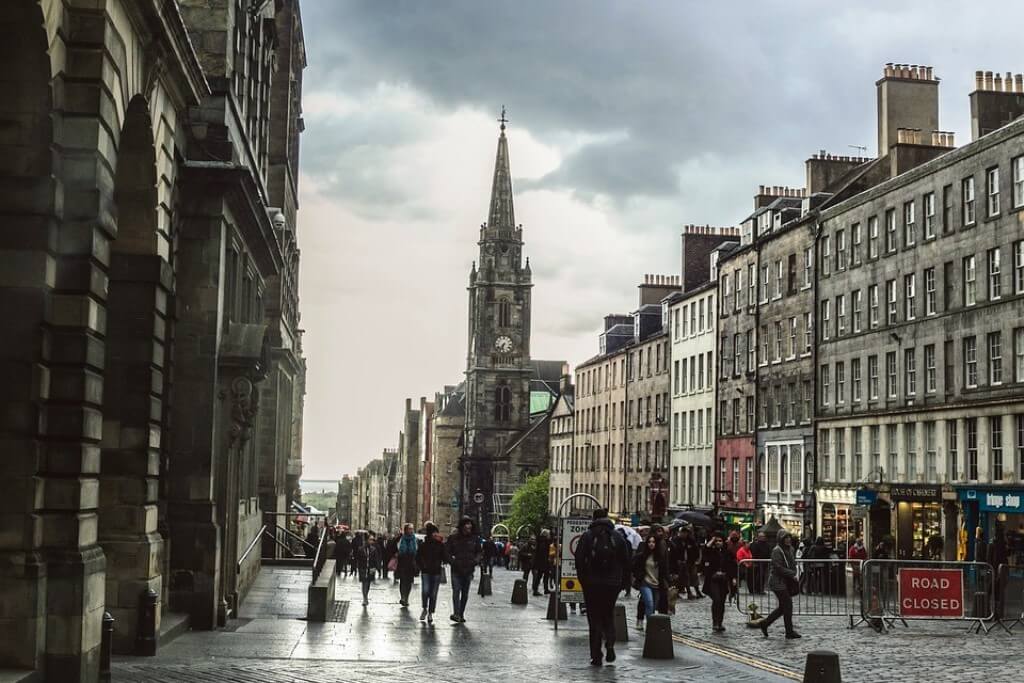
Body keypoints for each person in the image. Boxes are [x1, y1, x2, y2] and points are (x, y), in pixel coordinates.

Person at [575, 509, 631, 667]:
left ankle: (596, 656)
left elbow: (579, 559)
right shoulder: (617, 536)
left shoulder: (588, 536)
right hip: (612, 584)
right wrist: (622, 584)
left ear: (594, 518)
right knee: (608, 614)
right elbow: (626, 561)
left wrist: (583, 581)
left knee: (594, 619)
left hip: (592, 584)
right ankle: (610, 644)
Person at [757, 530, 800, 639]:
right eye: (785, 538)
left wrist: (794, 573)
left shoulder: (791, 549)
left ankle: (765, 623)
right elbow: (778, 567)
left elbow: (792, 563)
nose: (788, 539)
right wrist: (792, 574)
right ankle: (789, 632)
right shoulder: (777, 551)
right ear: (781, 539)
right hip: (777, 581)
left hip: (786, 581)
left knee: (783, 607)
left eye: (789, 537)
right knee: (787, 605)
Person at [445, 516, 481, 623]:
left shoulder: (475, 539)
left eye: (470, 524)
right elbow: (447, 552)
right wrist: (452, 561)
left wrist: (475, 561)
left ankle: (461, 613)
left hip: (468, 569)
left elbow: (479, 552)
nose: (468, 526)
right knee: (456, 591)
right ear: (462, 526)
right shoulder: (453, 538)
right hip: (456, 569)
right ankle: (456, 613)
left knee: (465, 593)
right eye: (466, 524)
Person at [702, 531, 737, 632]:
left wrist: (734, 578)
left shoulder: (727, 552)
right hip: (713, 579)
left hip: (724, 579)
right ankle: (715, 622)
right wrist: (712, 539)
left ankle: (720, 622)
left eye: (720, 541)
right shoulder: (711, 551)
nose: (718, 543)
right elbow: (706, 549)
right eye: (716, 541)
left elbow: (732, 566)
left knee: (722, 601)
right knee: (716, 599)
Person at [633, 534, 669, 630]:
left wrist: (669, 581)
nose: (651, 544)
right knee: (649, 603)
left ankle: (651, 622)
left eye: (653, 542)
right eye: (649, 542)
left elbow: (665, 570)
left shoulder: (660, 556)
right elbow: (635, 566)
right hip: (645, 583)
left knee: (653, 606)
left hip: (657, 584)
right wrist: (639, 577)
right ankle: (650, 626)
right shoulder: (642, 556)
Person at [416, 521, 445, 624]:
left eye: (436, 532)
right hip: (426, 571)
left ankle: (430, 613)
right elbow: (418, 557)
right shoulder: (423, 545)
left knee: (433, 593)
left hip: (436, 572)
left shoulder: (440, 545)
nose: (436, 534)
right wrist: (422, 566)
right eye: (434, 532)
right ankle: (424, 608)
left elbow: (444, 556)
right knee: (425, 591)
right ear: (430, 533)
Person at [356, 533, 382, 606]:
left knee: (368, 584)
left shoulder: (373, 549)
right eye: (370, 539)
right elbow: (358, 559)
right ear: (367, 540)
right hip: (363, 568)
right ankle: (365, 598)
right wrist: (357, 568)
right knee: (364, 583)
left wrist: (378, 568)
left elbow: (376, 559)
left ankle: (366, 595)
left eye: (373, 540)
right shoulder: (361, 549)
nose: (372, 541)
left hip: (371, 568)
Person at [396, 523, 418, 607]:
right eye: (409, 529)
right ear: (406, 530)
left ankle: (407, 598)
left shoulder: (414, 539)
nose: (411, 530)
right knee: (402, 581)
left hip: (411, 563)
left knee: (409, 582)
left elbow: (416, 551)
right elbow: (396, 548)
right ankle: (403, 597)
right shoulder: (401, 539)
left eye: (412, 529)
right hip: (402, 562)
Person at [533, 529, 552, 596]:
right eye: (549, 534)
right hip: (544, 562)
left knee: (540, 576)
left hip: (540, 562)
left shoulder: (540, 541)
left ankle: (540, 589)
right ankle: (540, 590)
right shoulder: (544, 541)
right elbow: (543, 552)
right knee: (542, 576)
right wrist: (547, 561)